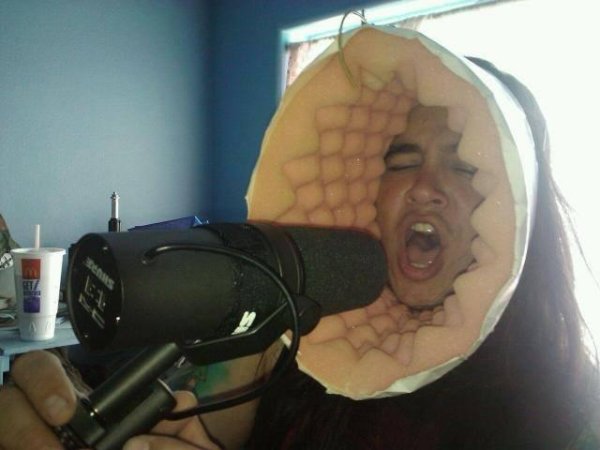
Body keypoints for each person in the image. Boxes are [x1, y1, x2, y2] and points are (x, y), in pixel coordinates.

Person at [0, 60, 597, 450]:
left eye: (466, 167)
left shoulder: (567, 415)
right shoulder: (295, 341)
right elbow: (194, 421)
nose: (423, 187)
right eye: (403, 161)